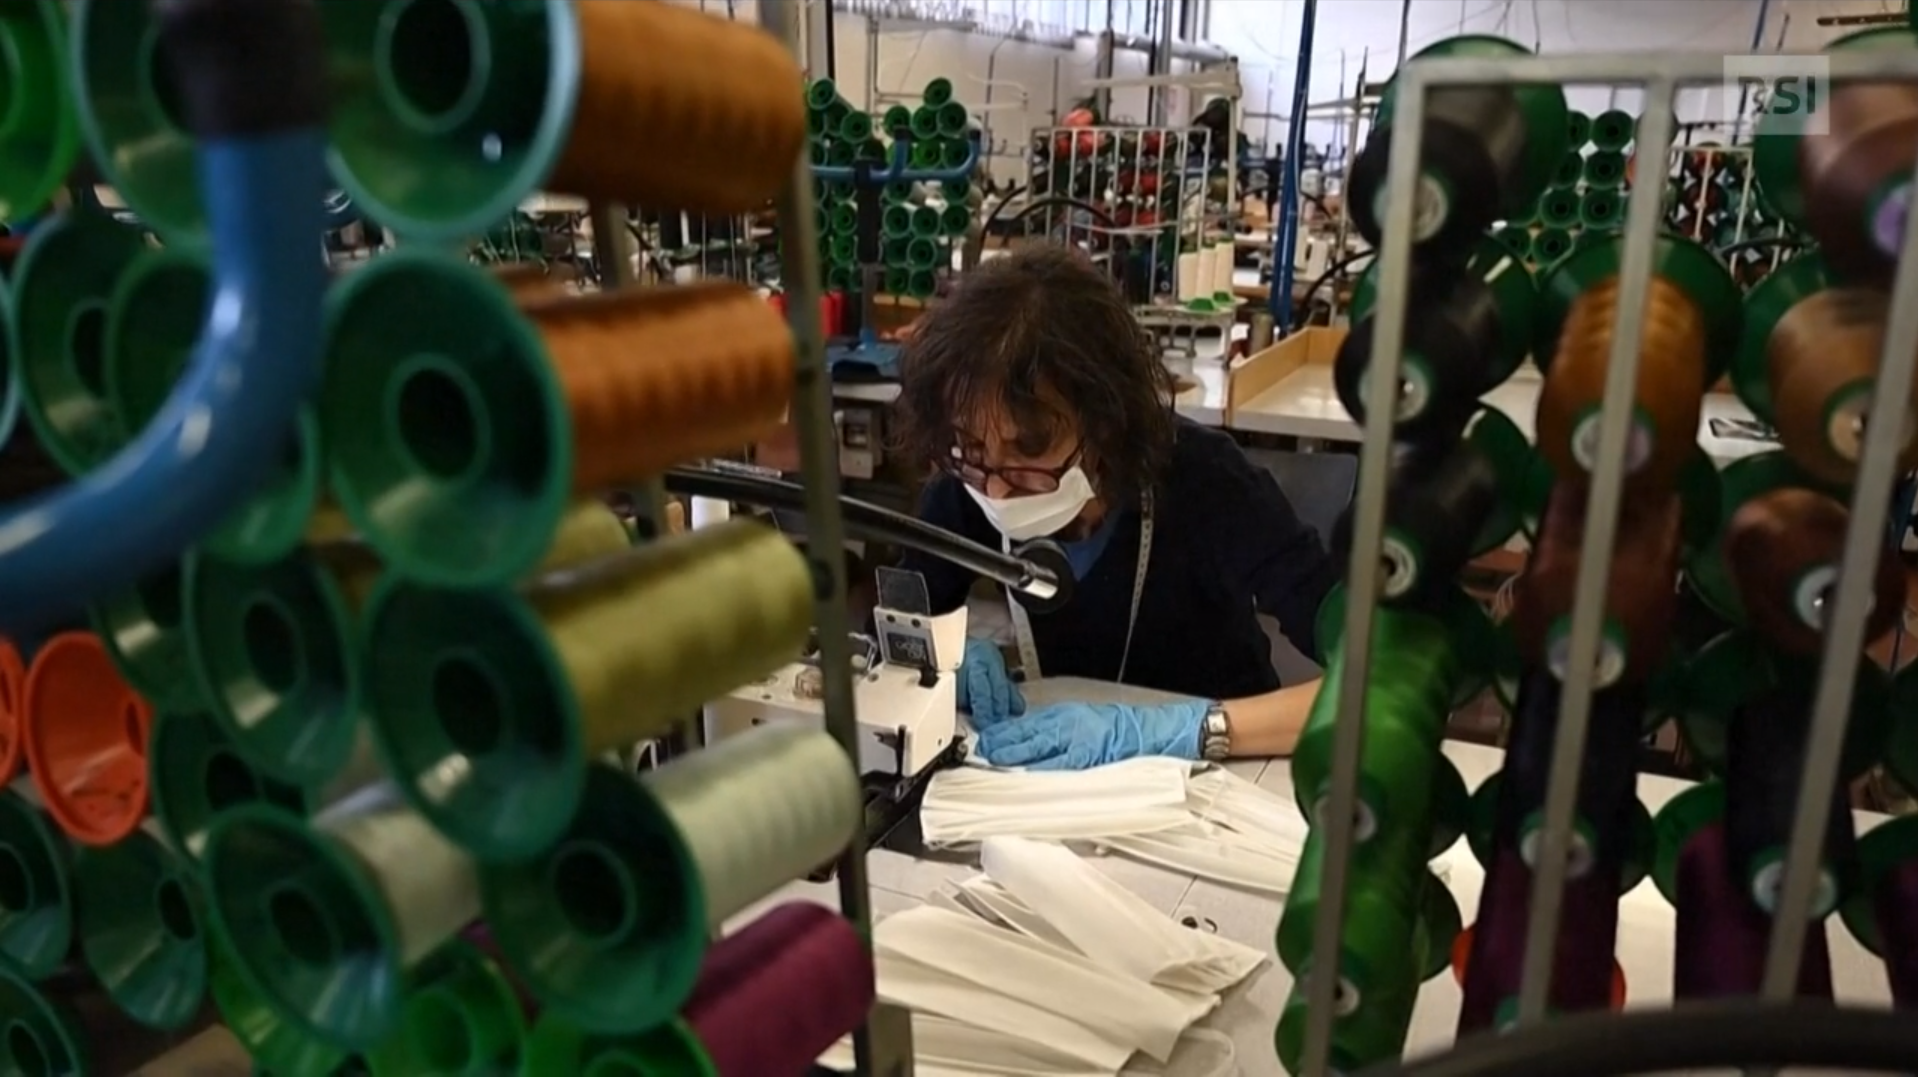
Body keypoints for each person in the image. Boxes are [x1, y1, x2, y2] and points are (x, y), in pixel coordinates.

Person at [892, 246, 1341, 771]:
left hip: (1225, 775)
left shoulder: (1209, 483)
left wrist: (1196, 729)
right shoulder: (966, 481)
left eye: (1031, 447)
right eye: (971, 448)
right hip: (1057, 775)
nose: (997, 488)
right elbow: (900, 629)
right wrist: (946, 659)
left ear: (1105, 419)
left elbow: (1377, 683)